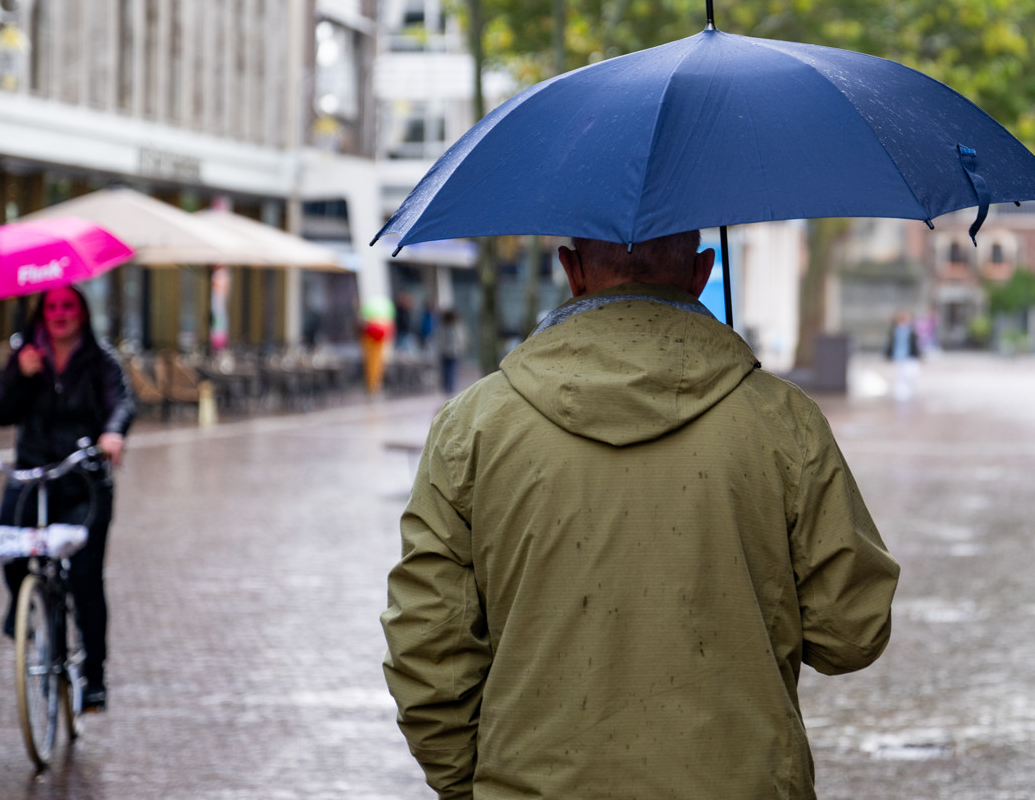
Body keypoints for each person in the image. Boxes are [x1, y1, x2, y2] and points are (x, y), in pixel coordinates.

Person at [381, 231, 900, 799]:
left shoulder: (472, 426)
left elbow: (428, 649)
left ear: (572, 270)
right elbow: (850, 632)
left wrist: (473, 786)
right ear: (702, 272)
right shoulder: (783, 420)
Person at [0, 285, 135, 713]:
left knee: (86, 578)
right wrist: (20, 375)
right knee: (8, 545)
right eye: (52, 306)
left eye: (68, 306)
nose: (60, 313)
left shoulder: (101, 359)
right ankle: (21, 602)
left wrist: (113, 434)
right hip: (33, 476)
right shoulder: (26, 354)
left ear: (82, 312)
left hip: (83, 480)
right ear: (42, 313)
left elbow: (122, 403)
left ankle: (94, 675)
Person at [885, 310, 921, 402]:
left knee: (910, 374)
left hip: (909, 357)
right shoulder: (895, 331)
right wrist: (888, 355)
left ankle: (907, 392)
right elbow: (891, 344)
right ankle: (901, 394)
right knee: (900, 375)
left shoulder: (911, 331)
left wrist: (917, 355)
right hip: (899, 356)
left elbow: (915, 344)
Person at [434, 309, 468, 395]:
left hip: (451, 352)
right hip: (449, 352)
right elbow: (460, 339)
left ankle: (449, 388)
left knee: (450, 370)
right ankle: (449, 388)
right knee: (449, 370)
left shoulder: (454, 327)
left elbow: (460, 339)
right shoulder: (450, 327)